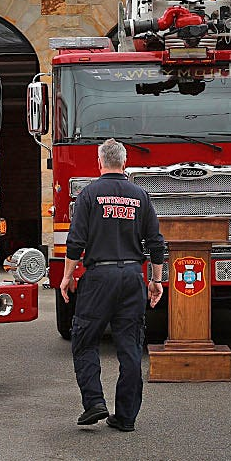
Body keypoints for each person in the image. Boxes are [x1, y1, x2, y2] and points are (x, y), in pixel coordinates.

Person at [60, 138, 166, 432]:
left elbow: (76, 241)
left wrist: (67, 276)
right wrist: (156, 280)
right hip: (132, 277)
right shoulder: (141, 196)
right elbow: (156, 243)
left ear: (99, 162)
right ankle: (126, 416)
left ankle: (94, 402)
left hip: (99, 278)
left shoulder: (88, 195)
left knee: (85, 340)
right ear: (124, 163)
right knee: (130, 347)